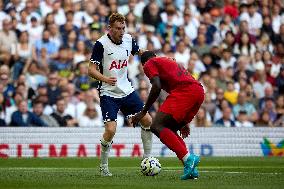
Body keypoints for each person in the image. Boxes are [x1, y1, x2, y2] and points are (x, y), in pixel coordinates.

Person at [88, 13, 153, 177]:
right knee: (110, 130)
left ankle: (147, 159)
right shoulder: (101, 44)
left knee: (147, 120)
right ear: (109, 28)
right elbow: (90, 70)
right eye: (118, 28)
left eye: (123, 28)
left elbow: (141, 53)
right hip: (108, 92)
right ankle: (103, 166)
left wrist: (160, 59)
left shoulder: (128, 40)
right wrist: (104, 79)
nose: (121, 31)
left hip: (127, 90)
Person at [131, 51, 205, 180]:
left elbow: (157, 86)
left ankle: (189, 159)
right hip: (198, 91)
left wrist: (144, 111)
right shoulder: (169, 61)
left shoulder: (150, 63)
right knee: (169, 129)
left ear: (143, 64)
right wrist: (184, 122)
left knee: (156, 126)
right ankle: (191, 169)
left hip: (185, 92)